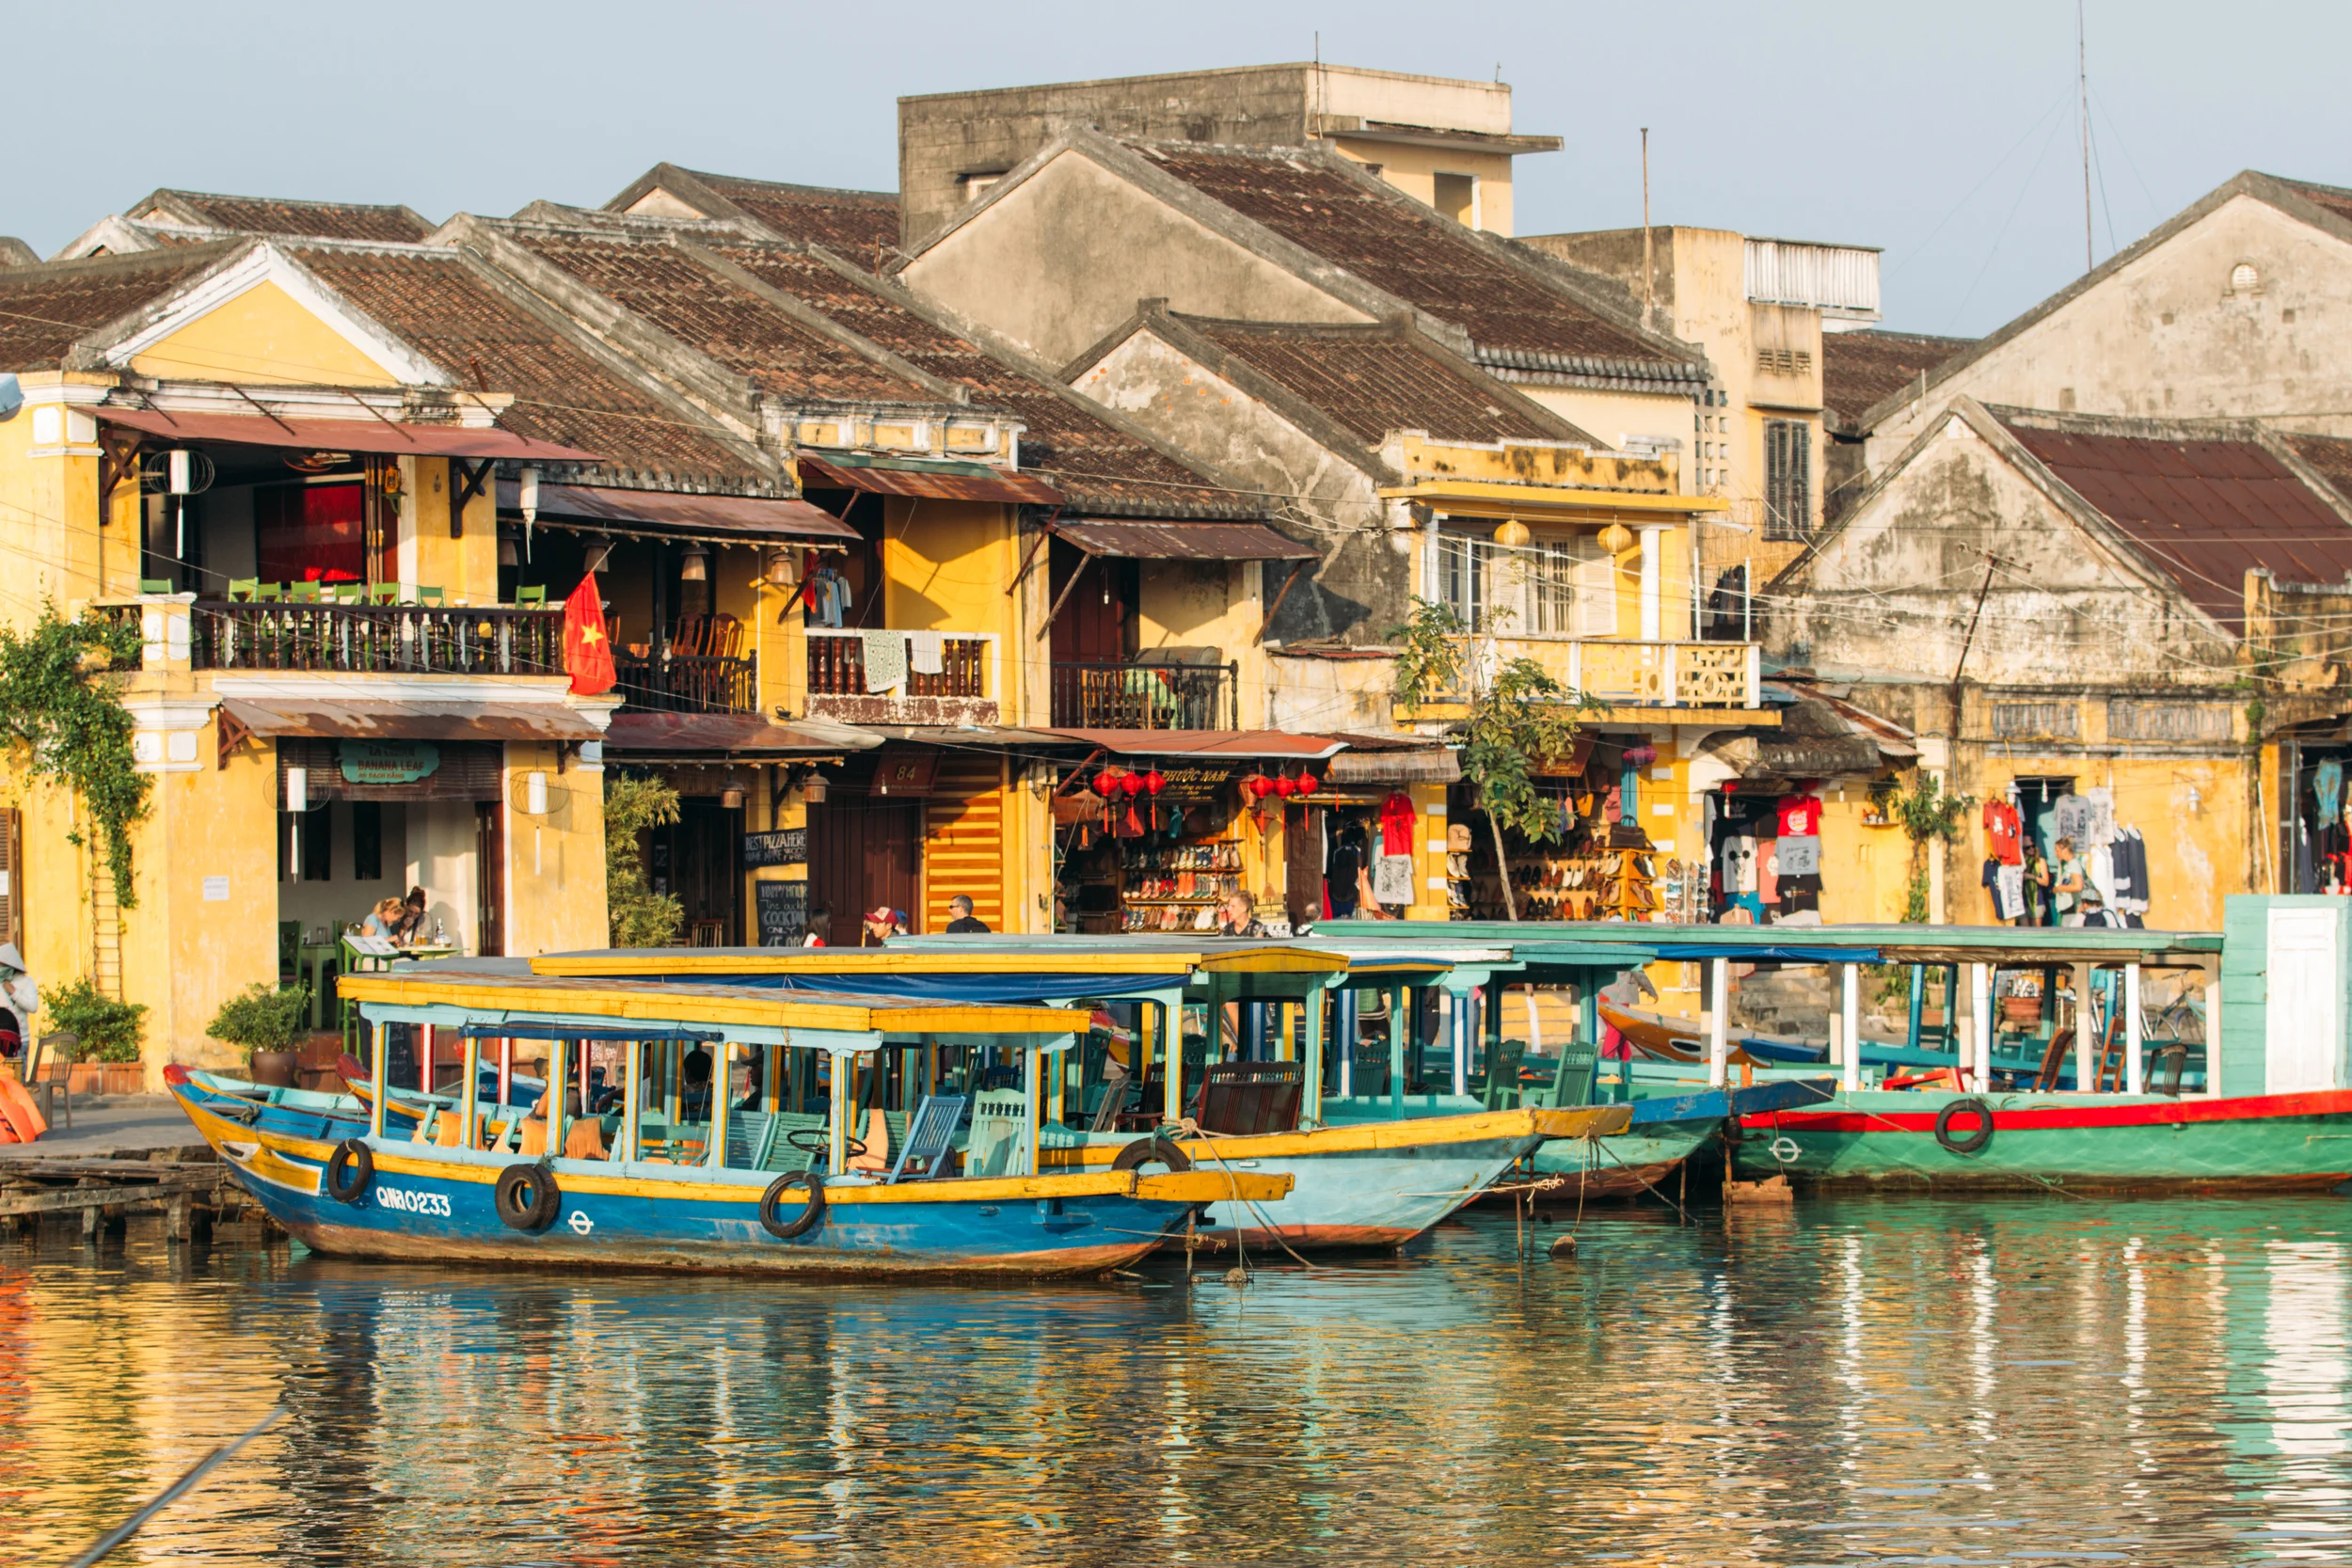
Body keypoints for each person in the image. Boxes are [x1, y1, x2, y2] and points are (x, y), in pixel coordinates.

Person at [2052, 838, 2087, 927]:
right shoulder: (2066, 865)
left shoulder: (2073, 864)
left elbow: (2078, 886)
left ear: (2066, 850)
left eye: (2058, 850)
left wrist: (2059, 888)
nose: (2056, 853)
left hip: (2073, 909)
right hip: (2067, 909)